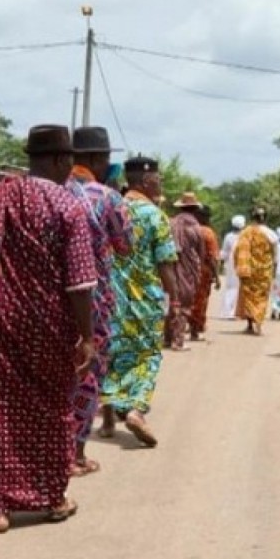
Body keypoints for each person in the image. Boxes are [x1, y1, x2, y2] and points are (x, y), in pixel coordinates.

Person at [0, 125, 98, 533]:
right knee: (52, 410)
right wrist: (87, 335)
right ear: (62, 161)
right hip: (50, 325)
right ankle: (51, 497)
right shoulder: (68, 206)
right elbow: (79, 283)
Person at [62, 126, 131, 477]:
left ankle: (44, 449)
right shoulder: (107, 197)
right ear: (95, 159)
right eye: (105, 158)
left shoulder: (49, 190)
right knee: (87, 373)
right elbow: (125, 246)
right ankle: (75, 453)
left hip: (49, 298)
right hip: (93, 300)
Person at [100, 155, 177, 446]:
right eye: (158, 179)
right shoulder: (155, 215)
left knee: (110, 352)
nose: (160, 183)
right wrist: (176, 302)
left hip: (109, 296)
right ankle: (134, 410)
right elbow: (166, 263)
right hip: (144, 301)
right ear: (146, 181)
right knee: (147, 357)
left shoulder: (110, 207)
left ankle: (107, 418)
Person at [166, 192, 214, 351]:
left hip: (168, 267)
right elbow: (200, 253)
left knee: (170, 301)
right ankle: (178, 341)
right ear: (194, 209)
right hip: (187, 270)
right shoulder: (196, 228)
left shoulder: (170, 223)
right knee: (185, 304)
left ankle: (167, 338)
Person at [234, 208, 279, 335]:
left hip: (249, 270)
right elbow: (275, 255)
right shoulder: (271, 234)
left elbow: (238, 251)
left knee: (249, 296)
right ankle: (258, 323)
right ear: (265, 218)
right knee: (261, 297)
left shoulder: (245, 232)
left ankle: (249, 325)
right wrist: (274, 271)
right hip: (264, 271)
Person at [191, 205, 221, 341]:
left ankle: (189, 325)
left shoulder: (190, 229)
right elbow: (212, 257)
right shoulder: (208, 233)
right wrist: (217, 276)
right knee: (201, 301)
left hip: (188, 271)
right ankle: (195, 329)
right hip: (203, 272)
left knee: (189, 299)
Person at [219, 215, 246, 319]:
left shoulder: (228, 236)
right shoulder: (244, 236)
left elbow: (224, 252)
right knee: (235, 287)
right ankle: (230, 312)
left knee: (231, 287)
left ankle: (228, 311)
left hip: (230, 263)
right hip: (239, 262)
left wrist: (221, 263)